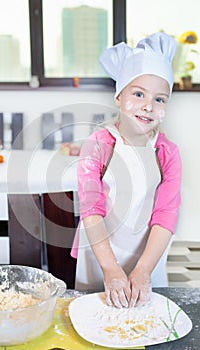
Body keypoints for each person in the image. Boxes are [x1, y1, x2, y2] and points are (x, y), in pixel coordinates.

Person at [71, 32, 181, 308]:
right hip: (100, 254)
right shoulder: (97, 145)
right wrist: (109, 269)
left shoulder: (168, 153)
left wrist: (143, 270)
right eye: (138, 94)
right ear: (119, 97)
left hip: (149, 253)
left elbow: (165, 216)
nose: (148, 105)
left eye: (160, 99)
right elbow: (91, 209)